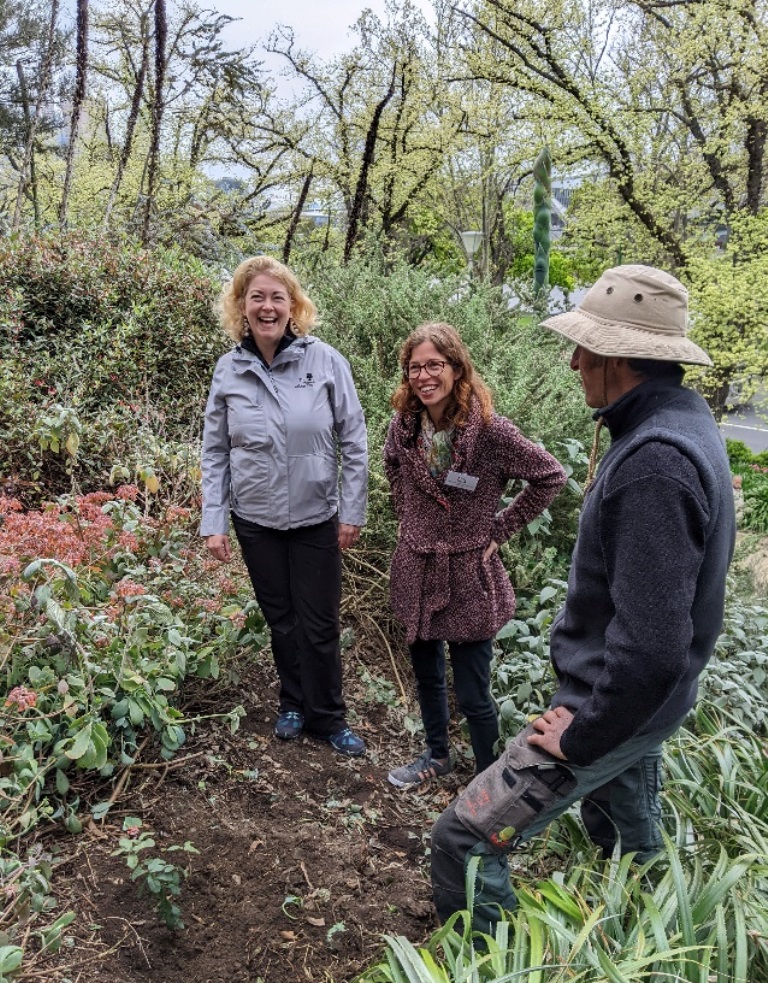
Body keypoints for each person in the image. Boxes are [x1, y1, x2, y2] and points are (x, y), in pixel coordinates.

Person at [430, 264, 736, 932]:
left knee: (464, 842)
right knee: (630, 844)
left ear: (619, 358)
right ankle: (654, 948)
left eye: (584, 348)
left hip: (616, 703)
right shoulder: (684, 422)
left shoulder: (655, 463)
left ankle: (492, 976)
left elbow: (652, 647)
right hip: (644, 704)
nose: (573, 363)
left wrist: (586, 733)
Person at [383, 322, 567, 788]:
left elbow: (550, 475)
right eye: (414, 368)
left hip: (468, 575)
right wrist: (407, 514)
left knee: (473, 693)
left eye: (434, 365)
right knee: (427, 676)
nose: (424, 376)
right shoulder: (403, 428)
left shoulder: (489, 431)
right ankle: (436, 755)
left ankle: (488, 781)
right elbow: (392, 467)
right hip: (416, 566)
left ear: (456, 368)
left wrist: (498, 529)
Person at [201, 255, 368, 757]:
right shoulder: (228, 370)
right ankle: (292, 703)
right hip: (255, 520)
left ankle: (329, 717)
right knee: (283, 621)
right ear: (241, 306)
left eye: (278, 297)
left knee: (320, 625)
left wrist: (352, 511)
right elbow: (215, 451)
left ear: (293, 306)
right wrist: (214, 521)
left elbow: (354, 441)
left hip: (317, 516)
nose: (267, 307)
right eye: (257, 297)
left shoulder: (326, 361)